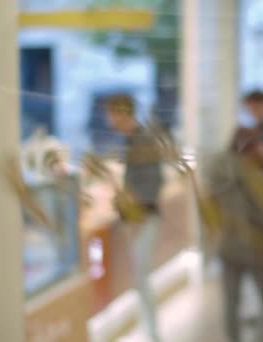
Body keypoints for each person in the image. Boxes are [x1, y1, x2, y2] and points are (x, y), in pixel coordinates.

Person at [204, 128, 263, 342]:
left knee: (231, 301)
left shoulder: (216, 174)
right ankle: (262, 337)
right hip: (257, 245)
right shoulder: (255, 176)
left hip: (228, 244)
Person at [105, 93, 164, 342]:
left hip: (144, 219)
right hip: (139, 218)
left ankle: (152, 335)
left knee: (141, 279)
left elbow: (154, 182)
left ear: (121, 113)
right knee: (140, 279)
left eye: (111, 113)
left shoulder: (142, 140)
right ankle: (150, 332)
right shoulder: (131, 140)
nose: (108, 119)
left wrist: (132, 204)